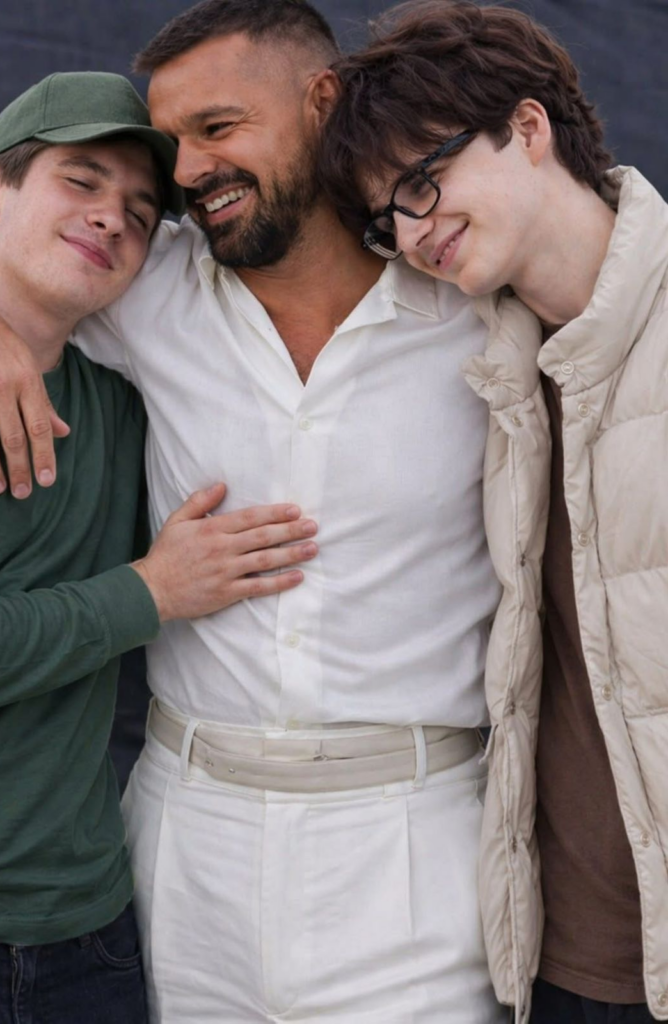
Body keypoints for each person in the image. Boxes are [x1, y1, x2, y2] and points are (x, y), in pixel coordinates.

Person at [0, 2, 511, 1021]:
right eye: (175, 146)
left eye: (218, 127)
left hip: (413, 854)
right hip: (185, 850)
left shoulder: (471, 300)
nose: (189, 173)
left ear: (323, 103)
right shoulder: (150, 286)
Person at [0, 69, 319, 1023]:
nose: (112, 218)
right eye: (81, 181)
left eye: (142, 213)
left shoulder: (123, 406)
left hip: (93, 934)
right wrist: (154, 590)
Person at [319, 1, 668, 1022]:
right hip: (562, 960)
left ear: (527, 126)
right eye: (386, 217)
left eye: (422, 180)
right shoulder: (483, 363)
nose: (410, 232)